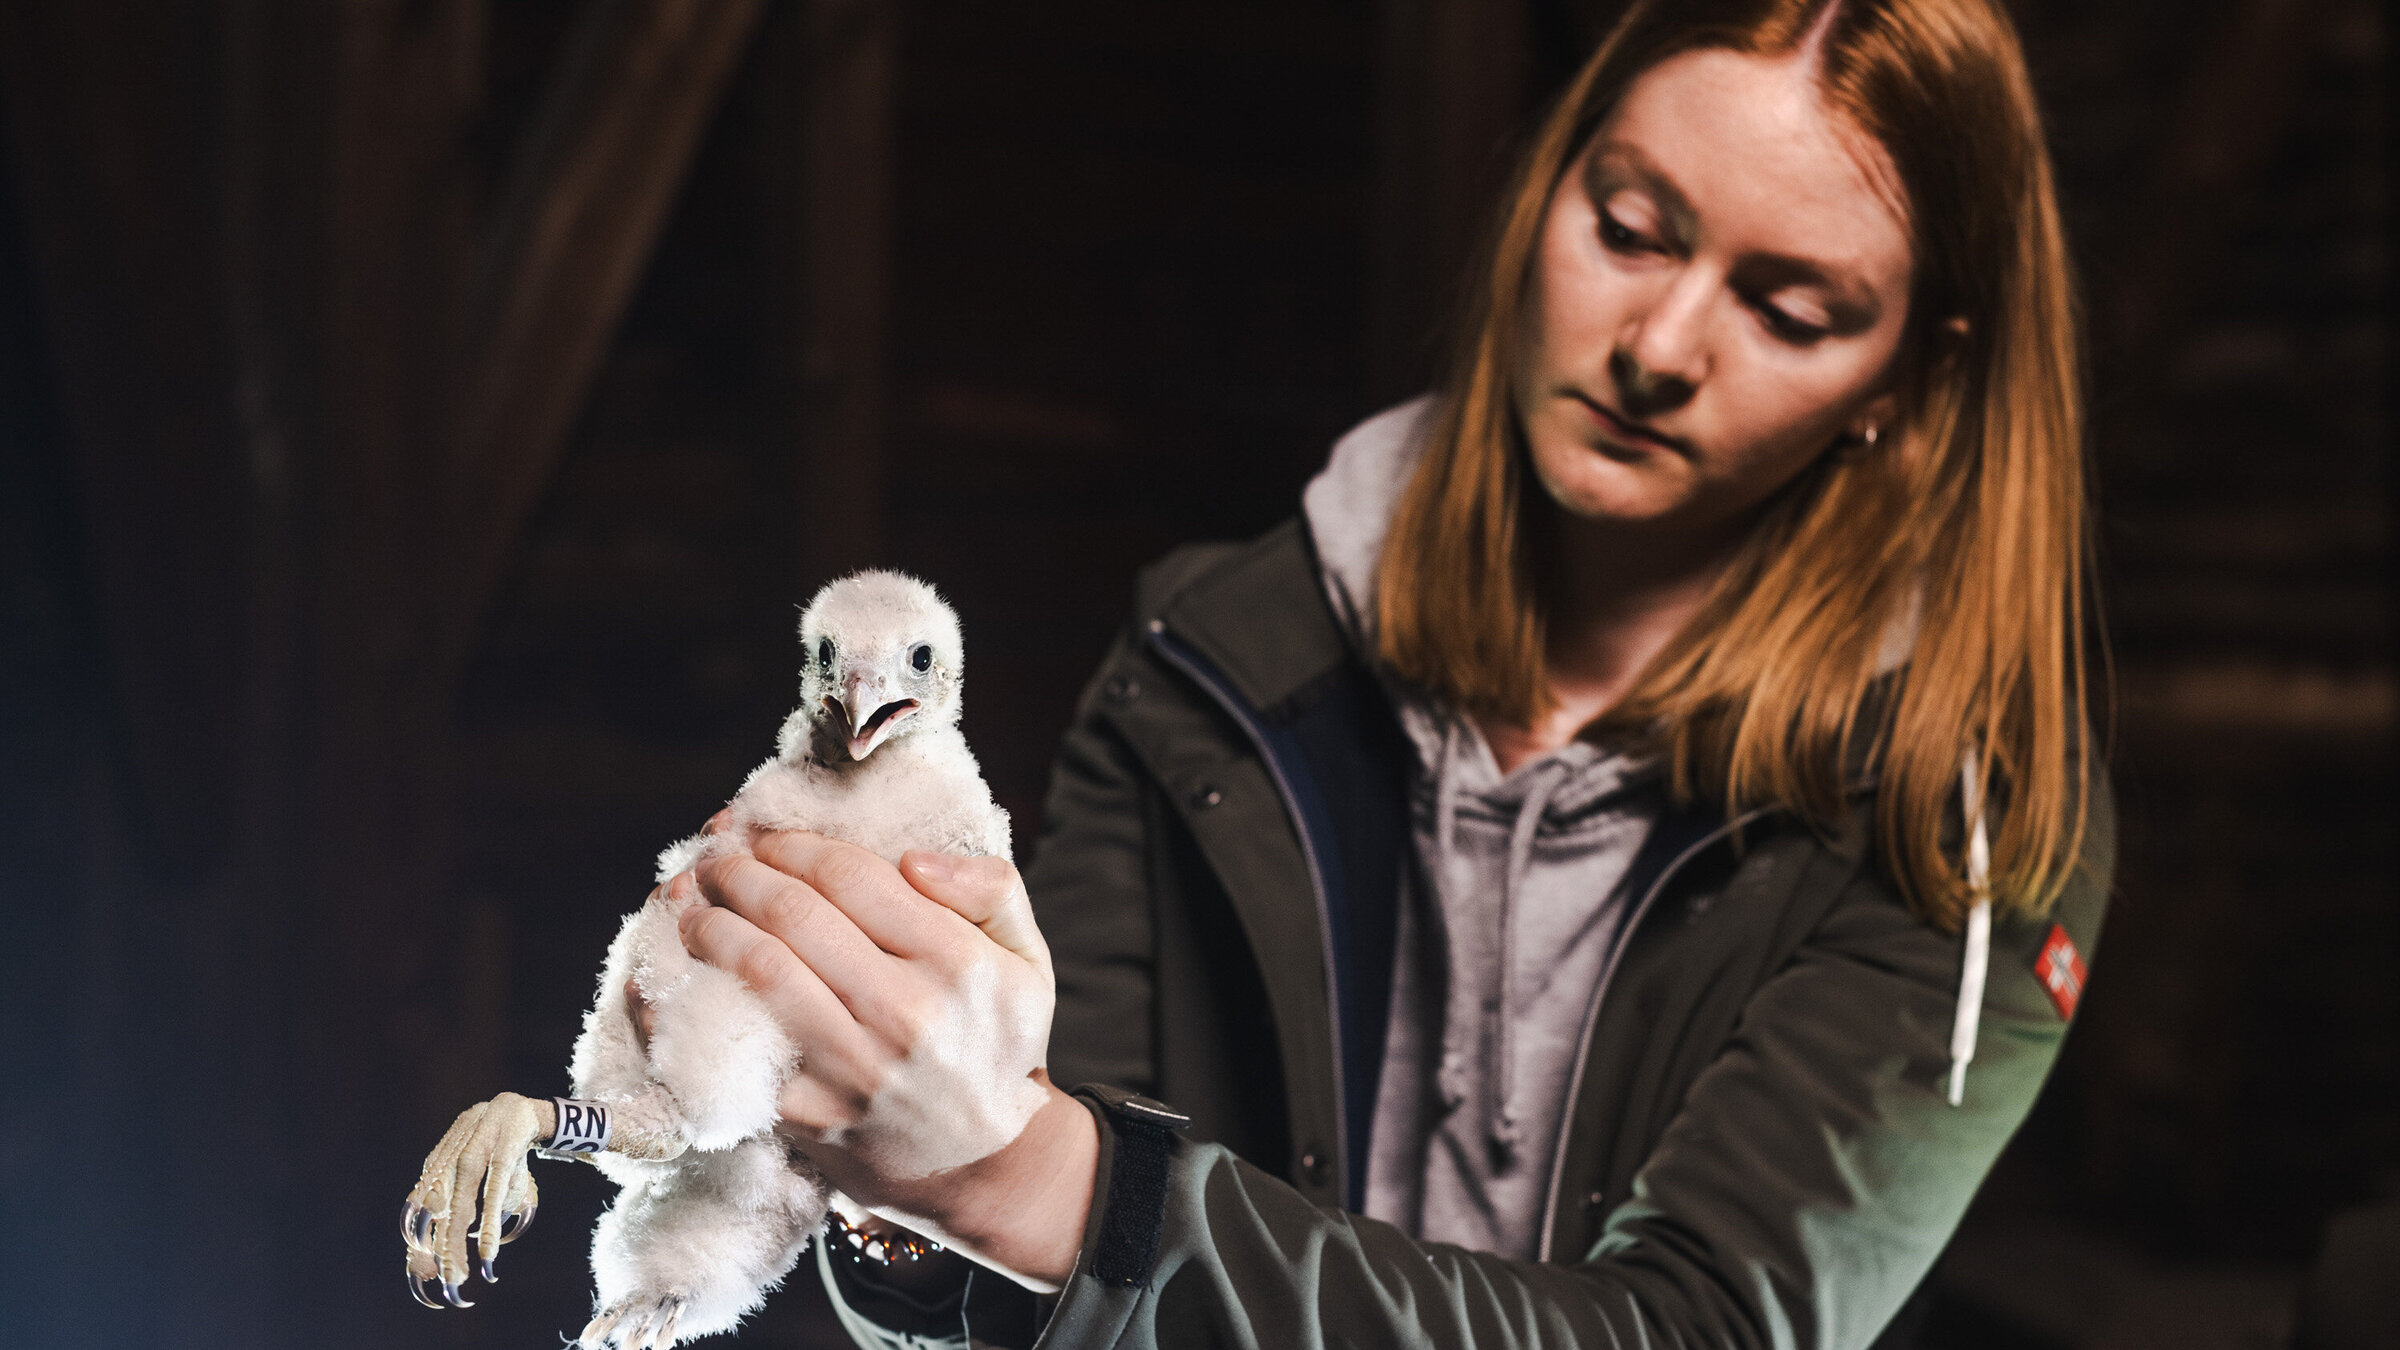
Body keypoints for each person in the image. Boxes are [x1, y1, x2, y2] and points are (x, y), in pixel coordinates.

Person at [673, 0, 2113, 1345]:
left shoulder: (1964, 805)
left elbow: (1697, 1327)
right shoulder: (1203, 662)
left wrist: (1052, 1184)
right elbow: (1029, 1286)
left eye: (1790, 310)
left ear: (1914, 376)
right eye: (1628, 227)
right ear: (1549, 185)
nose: (1661, 346)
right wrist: (881, 1182)